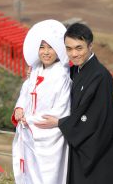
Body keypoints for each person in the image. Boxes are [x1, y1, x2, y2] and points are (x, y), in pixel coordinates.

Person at [35, 23, 113, 183]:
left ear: (90, 46)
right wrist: (34, 72)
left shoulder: (101, 76)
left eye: (79, 48)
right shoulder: (74, 71)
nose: (74, 54)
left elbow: (93, 118)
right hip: (81, 147)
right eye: (68, 49)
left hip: (99, 152)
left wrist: (60, 122)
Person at [12, 19, 71, 184]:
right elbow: (26, 92)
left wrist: (30, 120)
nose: (46, 52)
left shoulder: (62, 76)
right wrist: (19, 108)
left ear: (58, 49)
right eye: (42, 47)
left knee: (47, 177)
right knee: (29, 175)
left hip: (49, 139)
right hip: (29, 133)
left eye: (50, 47)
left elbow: (61, 110)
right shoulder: (36, 69)